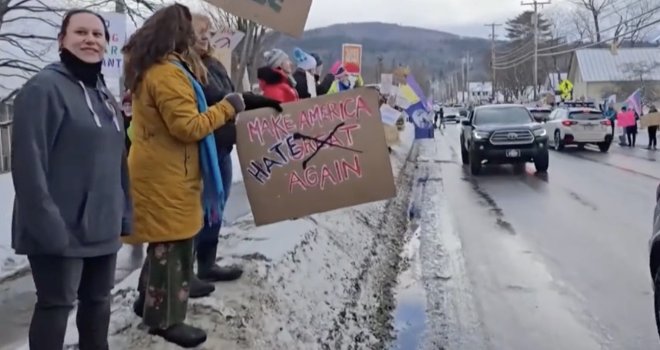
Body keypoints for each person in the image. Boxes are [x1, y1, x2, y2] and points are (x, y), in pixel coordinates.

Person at [120, 4, 281, 347]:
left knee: (165, 243)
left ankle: (145, 303)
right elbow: (187, 126)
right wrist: (228, 107)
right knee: (173, 247)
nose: (198, 40)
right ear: (178, 36)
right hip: (165, 174)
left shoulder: (163, 68)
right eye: (193, 34)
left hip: (165, 170)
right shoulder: (166, 74)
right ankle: (165, 320)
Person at [11, 9, 131, 350]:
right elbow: (28, 165)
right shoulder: (42, 90)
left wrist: (123, 211)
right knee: (56, 305)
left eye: (97, 34)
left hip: (102, 226)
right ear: (62, 40)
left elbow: (118, 160)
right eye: (81, 32)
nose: (90, 39)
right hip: (59, 228)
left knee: (98, 303)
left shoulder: (104, 96)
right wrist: (48, 227)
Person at [191, 13, 248, 286]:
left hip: (223, 148)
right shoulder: (184, 68)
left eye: (208, 31)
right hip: (201, 150)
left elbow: (232, 95)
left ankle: (207, 263)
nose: (205, 37)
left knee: (216, 209)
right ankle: (183, 273)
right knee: (197, 212)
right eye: (199, 32)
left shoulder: (214, 63)